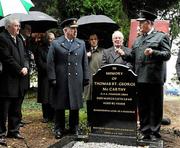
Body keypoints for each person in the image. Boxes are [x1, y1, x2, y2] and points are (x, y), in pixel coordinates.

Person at [116, 10, 171, 141]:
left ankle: (154, 132)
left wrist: (153, 52)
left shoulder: (161, 37)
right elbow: (133, 57)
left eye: (141, 23)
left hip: (154, 78)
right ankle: (145, 131)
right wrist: (124, 54)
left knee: (155, 107)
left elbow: (167, 55)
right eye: (139, 23)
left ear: (149, 23)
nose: (139, 25)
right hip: (140, 78)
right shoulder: (138, 40)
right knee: (143, 106)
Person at [47, 18, 89, 139]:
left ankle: (74, 127)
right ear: (65, 30)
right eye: (73, 29)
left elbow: (84, 62)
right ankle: (59, 128)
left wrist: (86, 77)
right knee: (60, 105)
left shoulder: (81, 43)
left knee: (74, 105)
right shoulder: (56, 43)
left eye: (76, 29)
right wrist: (52, 78)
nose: (75, 31)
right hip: (61, 79)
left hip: (76, 79)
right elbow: (50, 62)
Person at [0, 17, 29, 145]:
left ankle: (13, 130)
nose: (19, 28)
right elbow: (7, 58)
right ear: (8, 27)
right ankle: (0, 133)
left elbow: (25, 56)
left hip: (20, 80)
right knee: (3, 109)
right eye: (16, 25)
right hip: (7, 80)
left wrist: (26, 67)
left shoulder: (19, 39)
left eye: (19, 25)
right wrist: (19, 69)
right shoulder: (2, 38)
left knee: (16, 107)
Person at [36, 32, 55, 123]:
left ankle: (53, 116)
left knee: (53, 95)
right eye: (50, 39)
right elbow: (40, 63)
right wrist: (51, 68)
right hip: (45, 76)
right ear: (47, 40)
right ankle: (46, 116)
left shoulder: (56, 49)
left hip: (55, 76)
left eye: (53, 39)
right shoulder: (40, 49)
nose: (52, 41)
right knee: (45, 96)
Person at [18, 24, 34, 127]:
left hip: (26, 71)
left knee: (22, 95)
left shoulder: (26, 41)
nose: (30, 31)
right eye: (28, 29)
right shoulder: (18, 39)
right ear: (22, 29)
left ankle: (18, 118)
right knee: (18, 97)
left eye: (30, 29)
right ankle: (16, 119)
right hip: (20, 71)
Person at [83, 33, 104, 100]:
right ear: (89, 41)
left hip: (100, 81)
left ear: (98, 40)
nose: (93, 41)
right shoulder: (84, 52)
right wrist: (85, 57)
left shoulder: (103, 52)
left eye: (95, 39)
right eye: (91, 39)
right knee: (89, 102)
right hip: (88, 82)